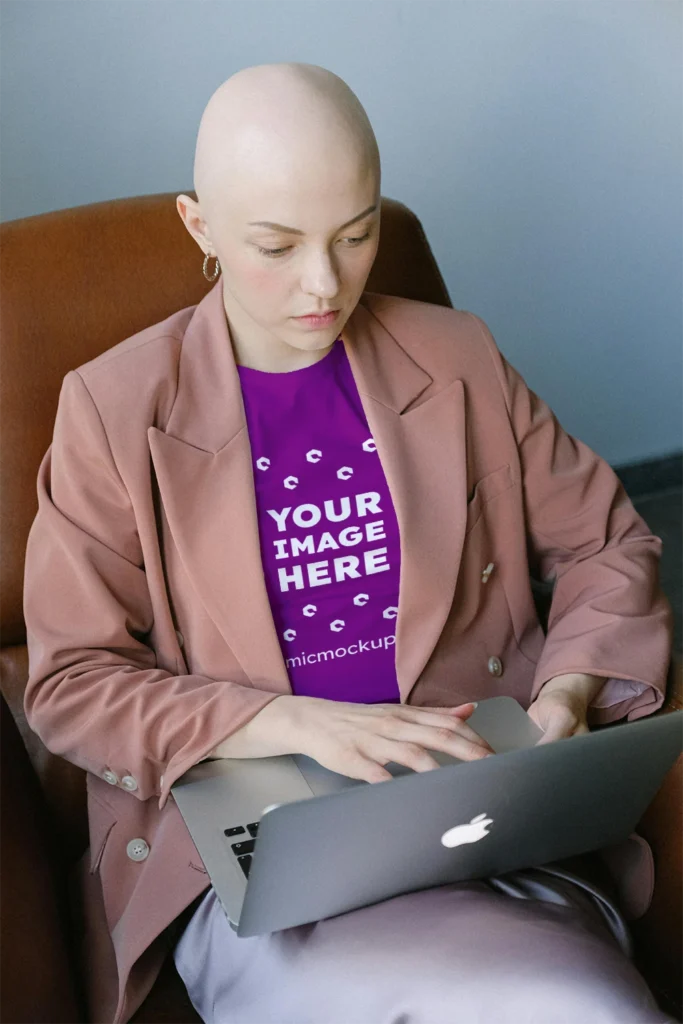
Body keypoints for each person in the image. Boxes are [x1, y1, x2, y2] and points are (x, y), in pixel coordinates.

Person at [22, 62, 674, 1024]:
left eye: (356, 233)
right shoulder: (114, 410)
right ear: (199, 227)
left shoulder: (457, 358)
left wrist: (567, 693)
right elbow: (70, 682)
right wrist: (295, 722)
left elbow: (608, 546)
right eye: (276, 246)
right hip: (263, 852)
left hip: (480, 818)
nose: (323, 285)